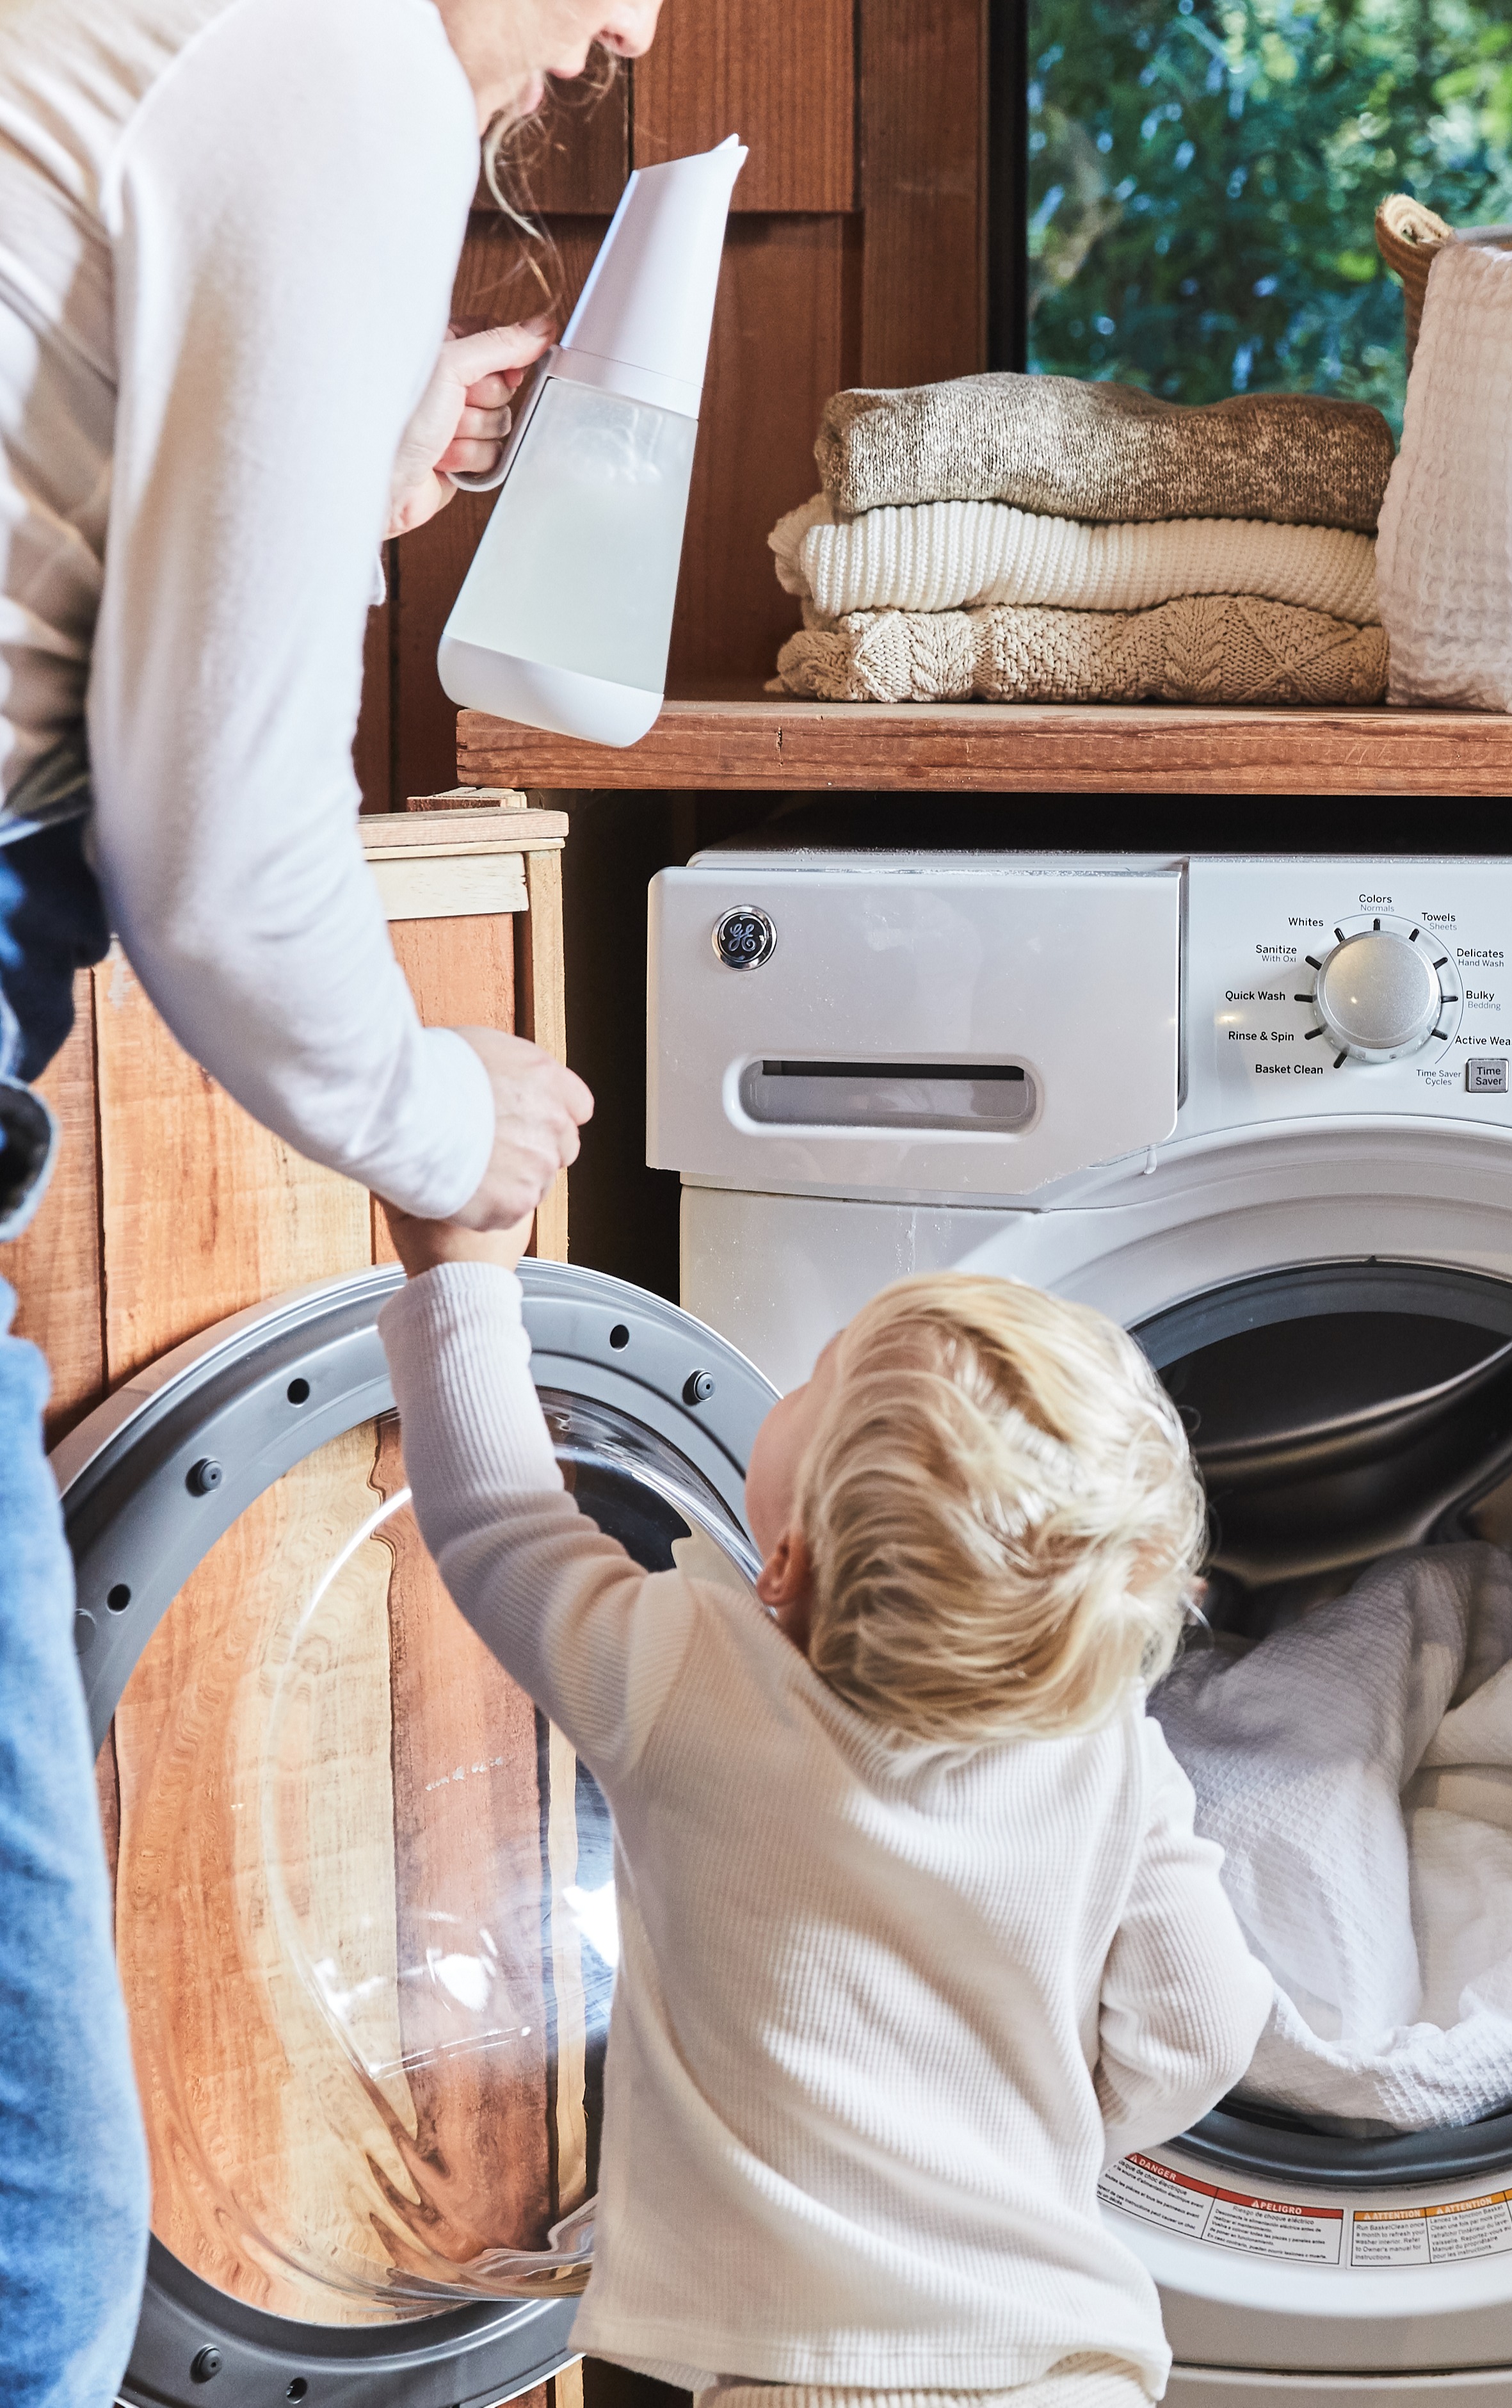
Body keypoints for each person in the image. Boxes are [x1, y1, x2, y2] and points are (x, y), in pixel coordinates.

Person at [1, 3, 659, 2393]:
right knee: (34, 2211)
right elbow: (216, 854)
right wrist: (432, 1116)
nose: (615, 39)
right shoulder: (350, 72)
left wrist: (346, 454)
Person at [378, 1215, 1270, 2406]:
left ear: (784, 1562)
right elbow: (1202, 2021)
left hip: (809, 2375)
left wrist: (461, 1272)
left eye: (812, 1380)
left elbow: (497, 1518)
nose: (790, 1381)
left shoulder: (686, 1675)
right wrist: (1041, 2140)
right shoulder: (1109, 1747)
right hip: (1063, 2357)